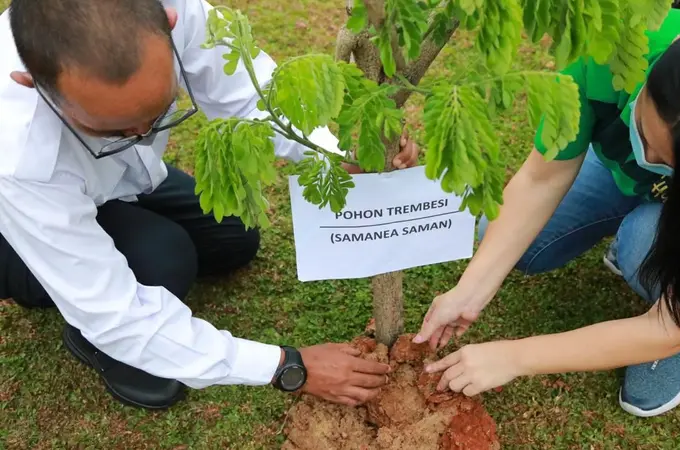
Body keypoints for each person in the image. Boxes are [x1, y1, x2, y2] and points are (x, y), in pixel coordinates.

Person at [0, 0, 419, 410]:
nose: (145, 136)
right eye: (112, 130)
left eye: (158, 113)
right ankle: (89, 339)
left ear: (169, 23)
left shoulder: (175, 11)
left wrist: (334, 153)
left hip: (114, 184)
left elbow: (249, 98)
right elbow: (115, 312)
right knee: (166, 257)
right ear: (33, 84)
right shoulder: (18, 155)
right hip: (17, 227)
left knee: (232, 237)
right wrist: (286, 365)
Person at [414, 10, 680, 417]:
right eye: (643, 130)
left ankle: (673, 293)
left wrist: (515, 357)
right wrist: (469, 292)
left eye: (669, 162)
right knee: (509, 237)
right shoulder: (614, 50)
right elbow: (543, 178)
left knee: (643, 251)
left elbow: (669, 328)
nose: (643, 157)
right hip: (622, 173)